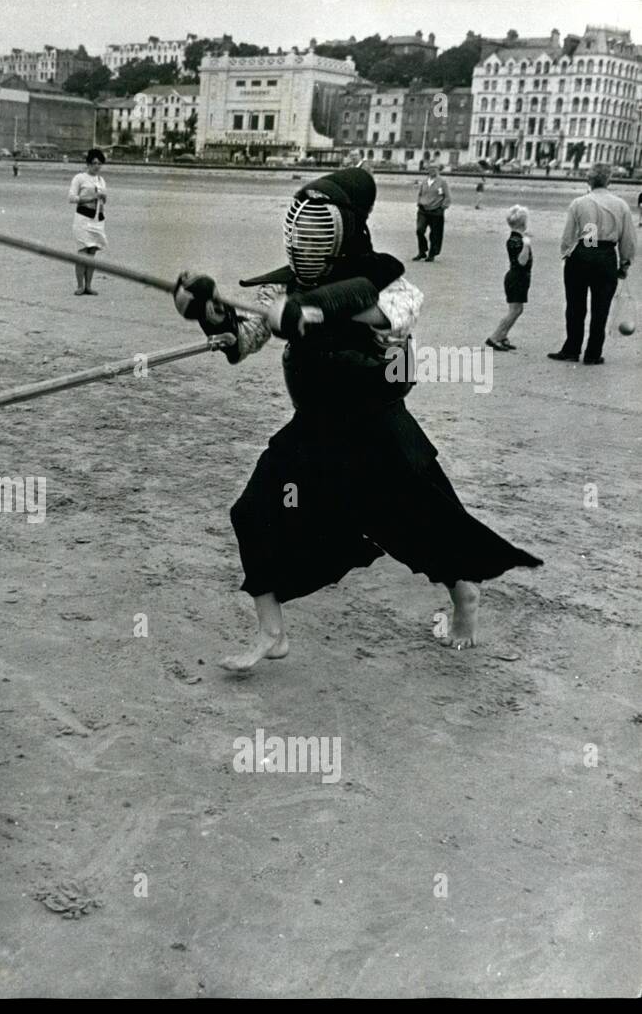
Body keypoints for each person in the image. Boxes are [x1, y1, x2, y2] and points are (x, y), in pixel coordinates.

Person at [172, 168, 542, 672]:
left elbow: (397, 315)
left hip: (378, 428)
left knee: (424, 525)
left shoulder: (386, 281)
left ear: (345, 229)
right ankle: (271, 632)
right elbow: (243, 342)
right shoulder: (281, 291)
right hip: (314, 427)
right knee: (252, 512)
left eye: (316, 228)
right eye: (299, 228)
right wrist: (210, 314)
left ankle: (464, 597)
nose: (304, 238)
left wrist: (312, 310)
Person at [548, 161, 637, 365]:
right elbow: (628, 239)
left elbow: (568, 236)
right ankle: (593, 353)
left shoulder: (578, 203)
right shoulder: (621, 205)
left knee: (575, 306)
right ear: (609, 180)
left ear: (589, 180)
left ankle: (572, 348)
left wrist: (567, 255)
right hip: (606, 255)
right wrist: (625, 263)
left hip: (582, 253)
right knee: (601, 308)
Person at [486, 205, 532, 351]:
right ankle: (495, 337)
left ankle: (503, 336)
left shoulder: (514, 238)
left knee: (517, 309)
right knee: (515, 310)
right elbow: (522, 261)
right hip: (517, 278)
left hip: (518, 278)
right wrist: (526, 246)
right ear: (523, 223)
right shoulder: (517, 241)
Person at [68, 148, 108, 296]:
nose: (97, 166)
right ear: (88, 163)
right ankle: (80, 286)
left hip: (97, 219)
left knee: (92, 253)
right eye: (94, 163)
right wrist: (91, 198)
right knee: (82, 252)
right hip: (83, 218)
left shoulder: (101, 180)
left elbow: (104, 200)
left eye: (99, 163)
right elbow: (71, 198)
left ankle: (89, 286)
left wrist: (103, 197)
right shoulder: (80, 178)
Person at [413, 161, 451, 262]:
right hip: (423, 210)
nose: (432, 171)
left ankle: (432, 253)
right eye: (430, 168)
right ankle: (422, 251)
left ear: (438, 170)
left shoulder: (442, 182)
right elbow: (420, 194)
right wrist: (419, 203)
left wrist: (442, 207)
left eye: (434, 169)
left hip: (436, 211)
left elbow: (447, 197)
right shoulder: (424, 182)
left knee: (435, 234)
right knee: (419, 230)